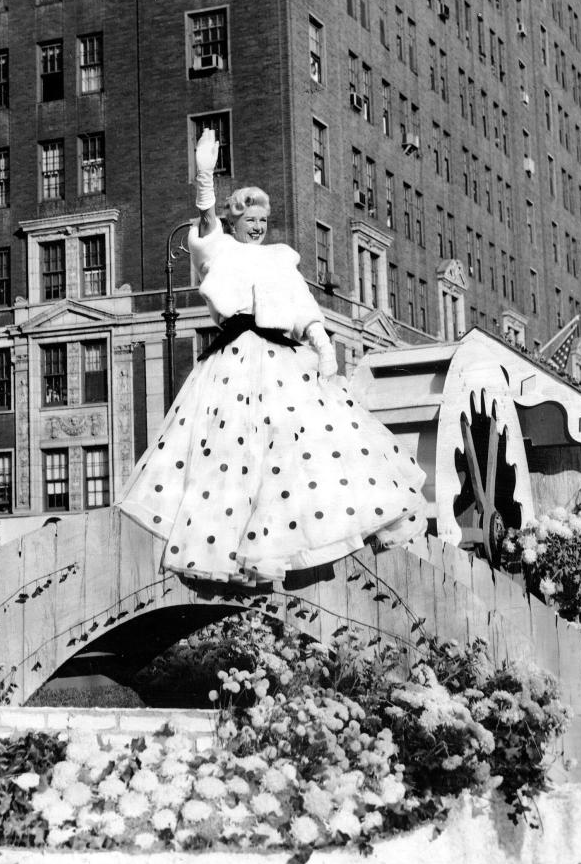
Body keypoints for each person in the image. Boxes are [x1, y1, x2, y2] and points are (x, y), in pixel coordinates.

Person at [116, 129, 426, 584]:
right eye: (250, 219)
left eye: (263, 219)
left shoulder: (281, 259)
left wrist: (324, 351)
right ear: (235, 221)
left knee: (304, 447)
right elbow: (205, 218)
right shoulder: (220, 249)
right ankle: (233, 551)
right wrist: (205, 175)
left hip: (282, 357)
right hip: (235, 361)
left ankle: (312, 540)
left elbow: (304, 310)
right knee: (230, 455)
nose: (258, 227)